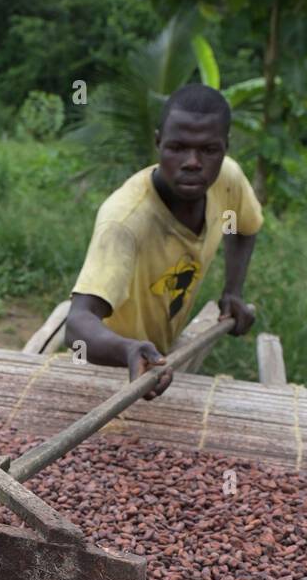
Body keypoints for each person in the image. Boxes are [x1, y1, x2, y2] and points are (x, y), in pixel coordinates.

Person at [64, 83, 261, 399]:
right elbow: (77, 326)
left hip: (154, 360)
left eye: (208, 150)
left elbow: (241, 228)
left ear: (225, 147)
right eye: (178, 147)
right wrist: (128, 350)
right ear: (158, 142)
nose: (193, 162)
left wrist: (233, 290)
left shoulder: (227, 181)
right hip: (104, 366)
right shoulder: (126, 221)